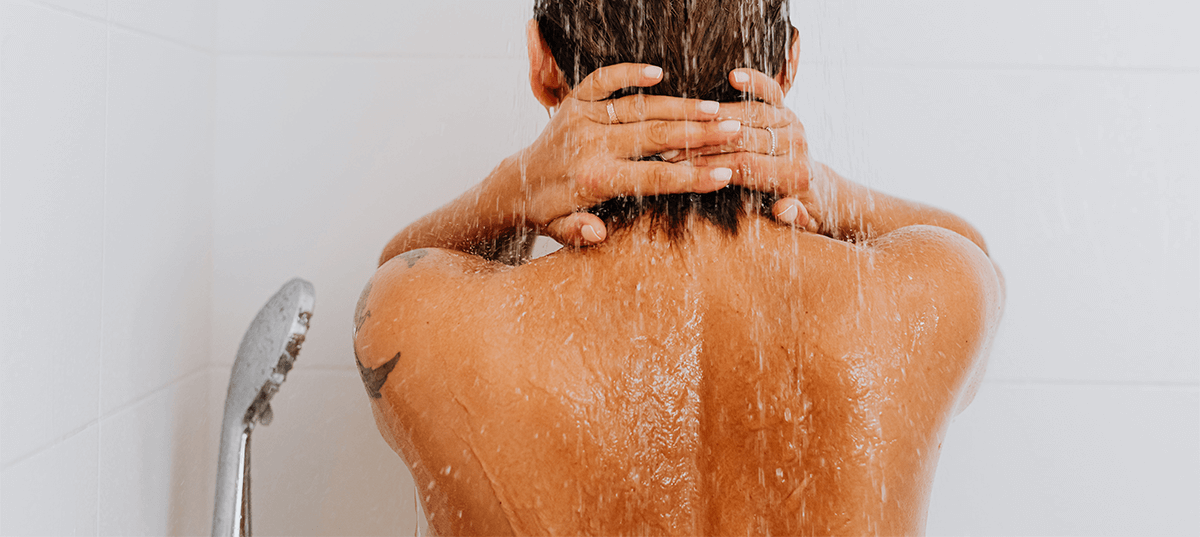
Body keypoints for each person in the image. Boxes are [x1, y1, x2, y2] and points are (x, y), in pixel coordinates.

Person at [354, 0, 1004, 534]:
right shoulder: (929, 293)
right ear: (788, 65)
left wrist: (512, 193)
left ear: (542, 64)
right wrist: (827, 191)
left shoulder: (425, 316)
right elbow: (975, 255)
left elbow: (395, 283)